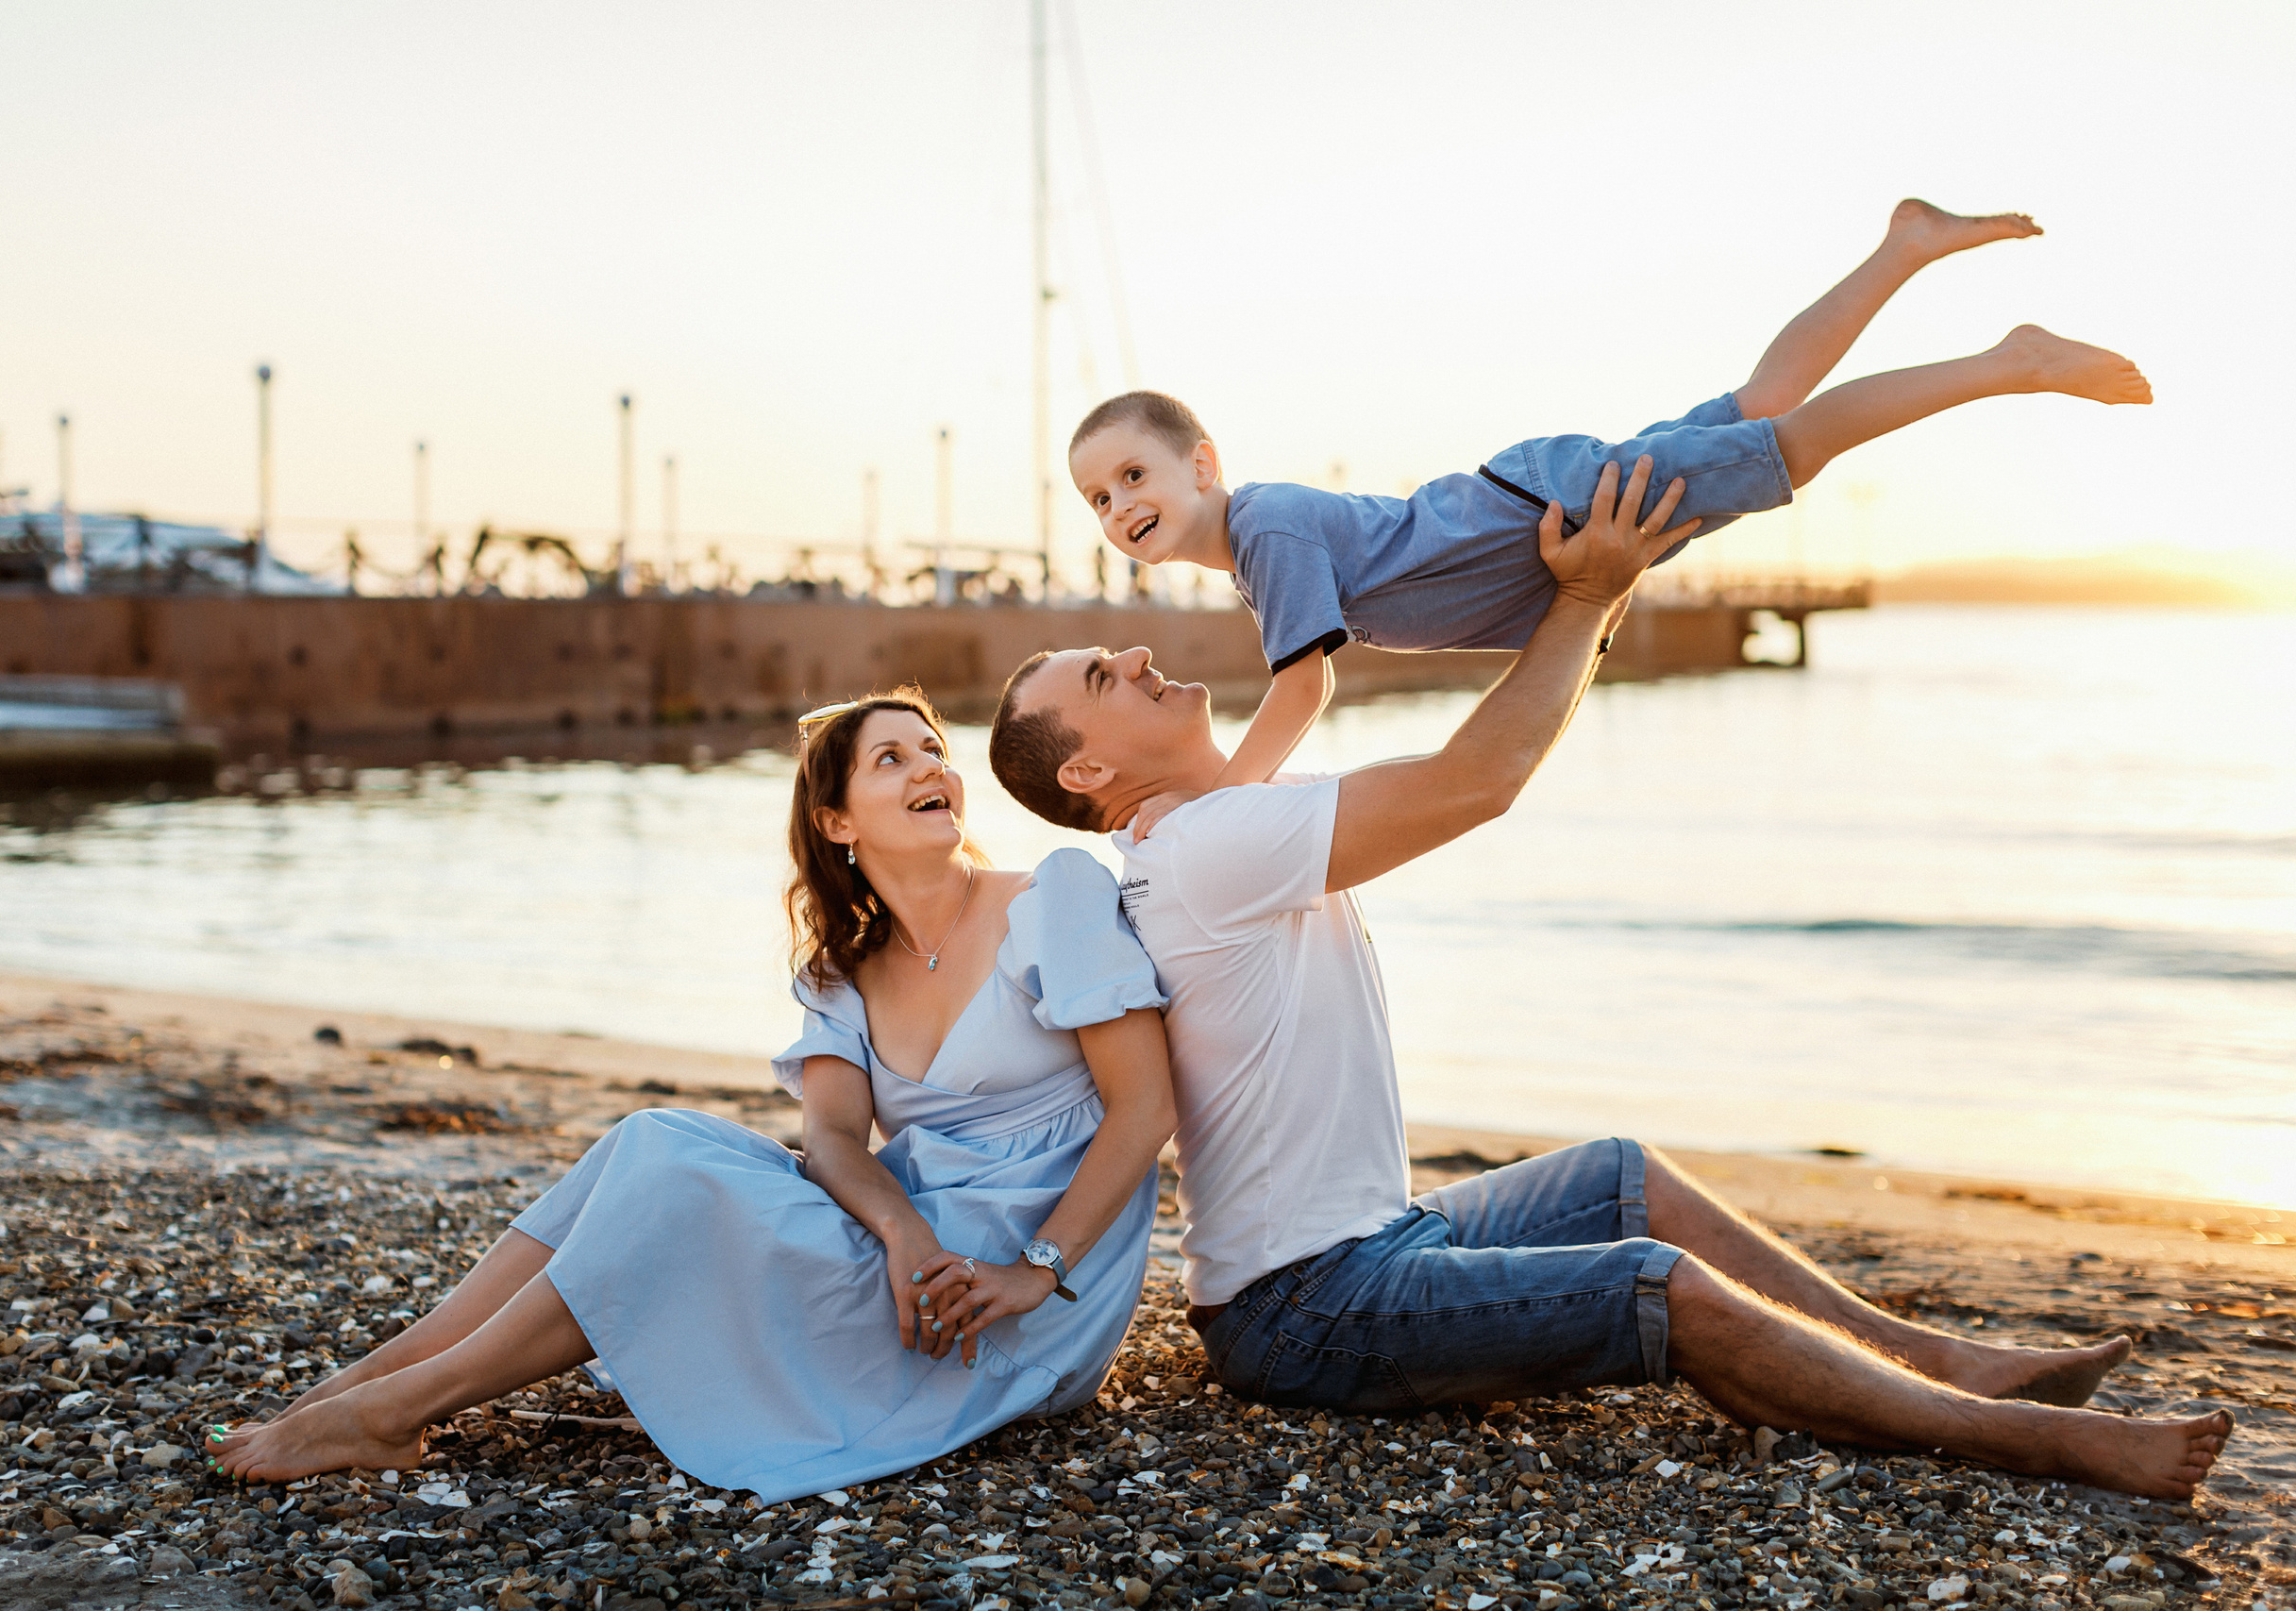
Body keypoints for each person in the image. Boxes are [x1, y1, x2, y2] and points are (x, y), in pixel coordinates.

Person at [986, 458, 2232, 1499]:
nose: (1138, 651)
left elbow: (1464, 761)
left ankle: (1939, 1360)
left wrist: (1575, 597)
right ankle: (2022, 1437)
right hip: (1307, 1306)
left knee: (1622, 1173)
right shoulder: (1209, 846)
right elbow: (1480, 781)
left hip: (1362, 1246)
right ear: (1091, 776)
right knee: (1658, 1280)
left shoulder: (1224, 827)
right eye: (1101, 677)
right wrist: (1589, 597)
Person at [203, 690, 1177, 1503]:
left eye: (933, 750)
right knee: (650, 1134)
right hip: (914, 1256)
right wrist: (904, 1236)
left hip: (1011, 1299)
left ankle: (392, 1411)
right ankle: (368, 1380)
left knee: (672, 1175)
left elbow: (1145, 1107)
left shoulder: (1055, 895)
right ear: (836, 822)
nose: (931, 769)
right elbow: (833, 1140)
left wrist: (1035, 1272)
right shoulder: (842, 970)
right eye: (891, 759)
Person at [1066, 200, 2153, 828]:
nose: (1119, 507)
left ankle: (2008, 363)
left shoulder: (1266, 532)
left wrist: (1215, 798)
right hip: (1541, 498)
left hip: (1552, 502)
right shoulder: (1262, 551)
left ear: (1200, 464)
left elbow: (1306, 683)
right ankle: (1903, 246)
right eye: (1098, 499)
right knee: (1760, 408)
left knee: (1794, 445)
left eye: (1132, 477)